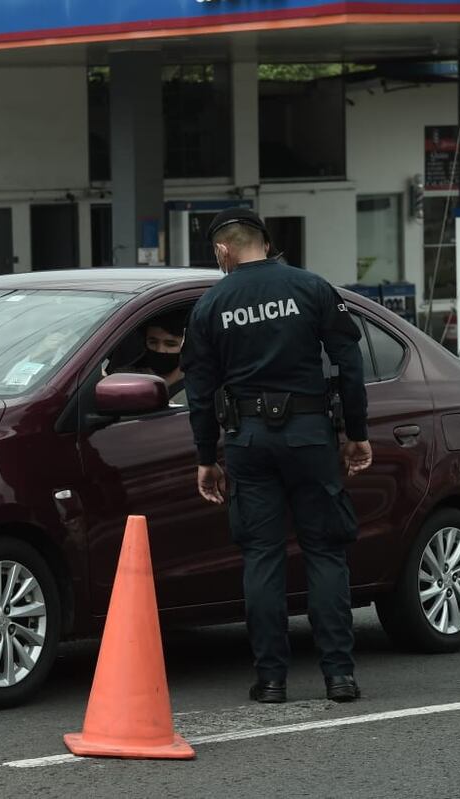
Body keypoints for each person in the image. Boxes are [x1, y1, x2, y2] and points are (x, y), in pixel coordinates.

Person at [181, 207, 372, 704]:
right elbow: (349, 362)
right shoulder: (311, 288)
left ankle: (271, 681)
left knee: (261, 558)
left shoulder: (209, 306)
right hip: (310, 436)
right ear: (265, 242)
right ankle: (339, 676)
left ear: (223, 250)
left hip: (247, 441)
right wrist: (357, 431)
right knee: (325, 552)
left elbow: (199, 392)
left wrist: (207, 456)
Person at [112, 309, 188, 402]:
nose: (160, 350)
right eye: (153, 342)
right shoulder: (127, 380)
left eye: (170, 344)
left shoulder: (196, 388)